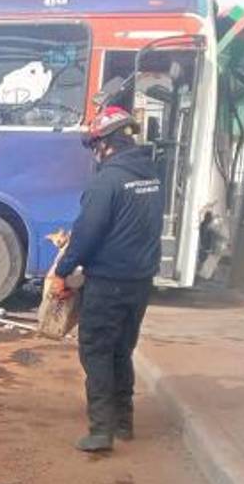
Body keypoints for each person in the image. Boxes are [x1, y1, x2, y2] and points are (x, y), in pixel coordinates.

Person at [52, 105, 164, 453]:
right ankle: (123, 422)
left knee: (97, 351)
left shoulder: (107, 181)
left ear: (106, 143)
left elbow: (87, 233)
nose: (94, 152)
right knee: (121, 350)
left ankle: (101, 431)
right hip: (140, 281)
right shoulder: (151, 176)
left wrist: (62, 271)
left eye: (94, 145)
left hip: (109, 281)